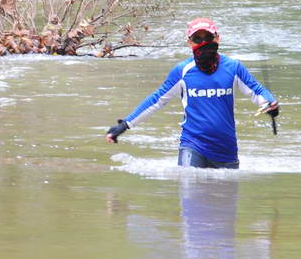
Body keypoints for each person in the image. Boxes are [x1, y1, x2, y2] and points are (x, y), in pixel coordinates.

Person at [105, 17, 279, 169]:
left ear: (218, 38)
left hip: (226, 149)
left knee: (224, 204)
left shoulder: (234, 68)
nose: (203, 43)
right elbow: (156, 100)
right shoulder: (182, 71)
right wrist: (125, 125)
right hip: (192, 145)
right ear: (190, 43)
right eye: (198, 38)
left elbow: (257, 92)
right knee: (191, 198)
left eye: (208, 38)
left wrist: (269, 104)